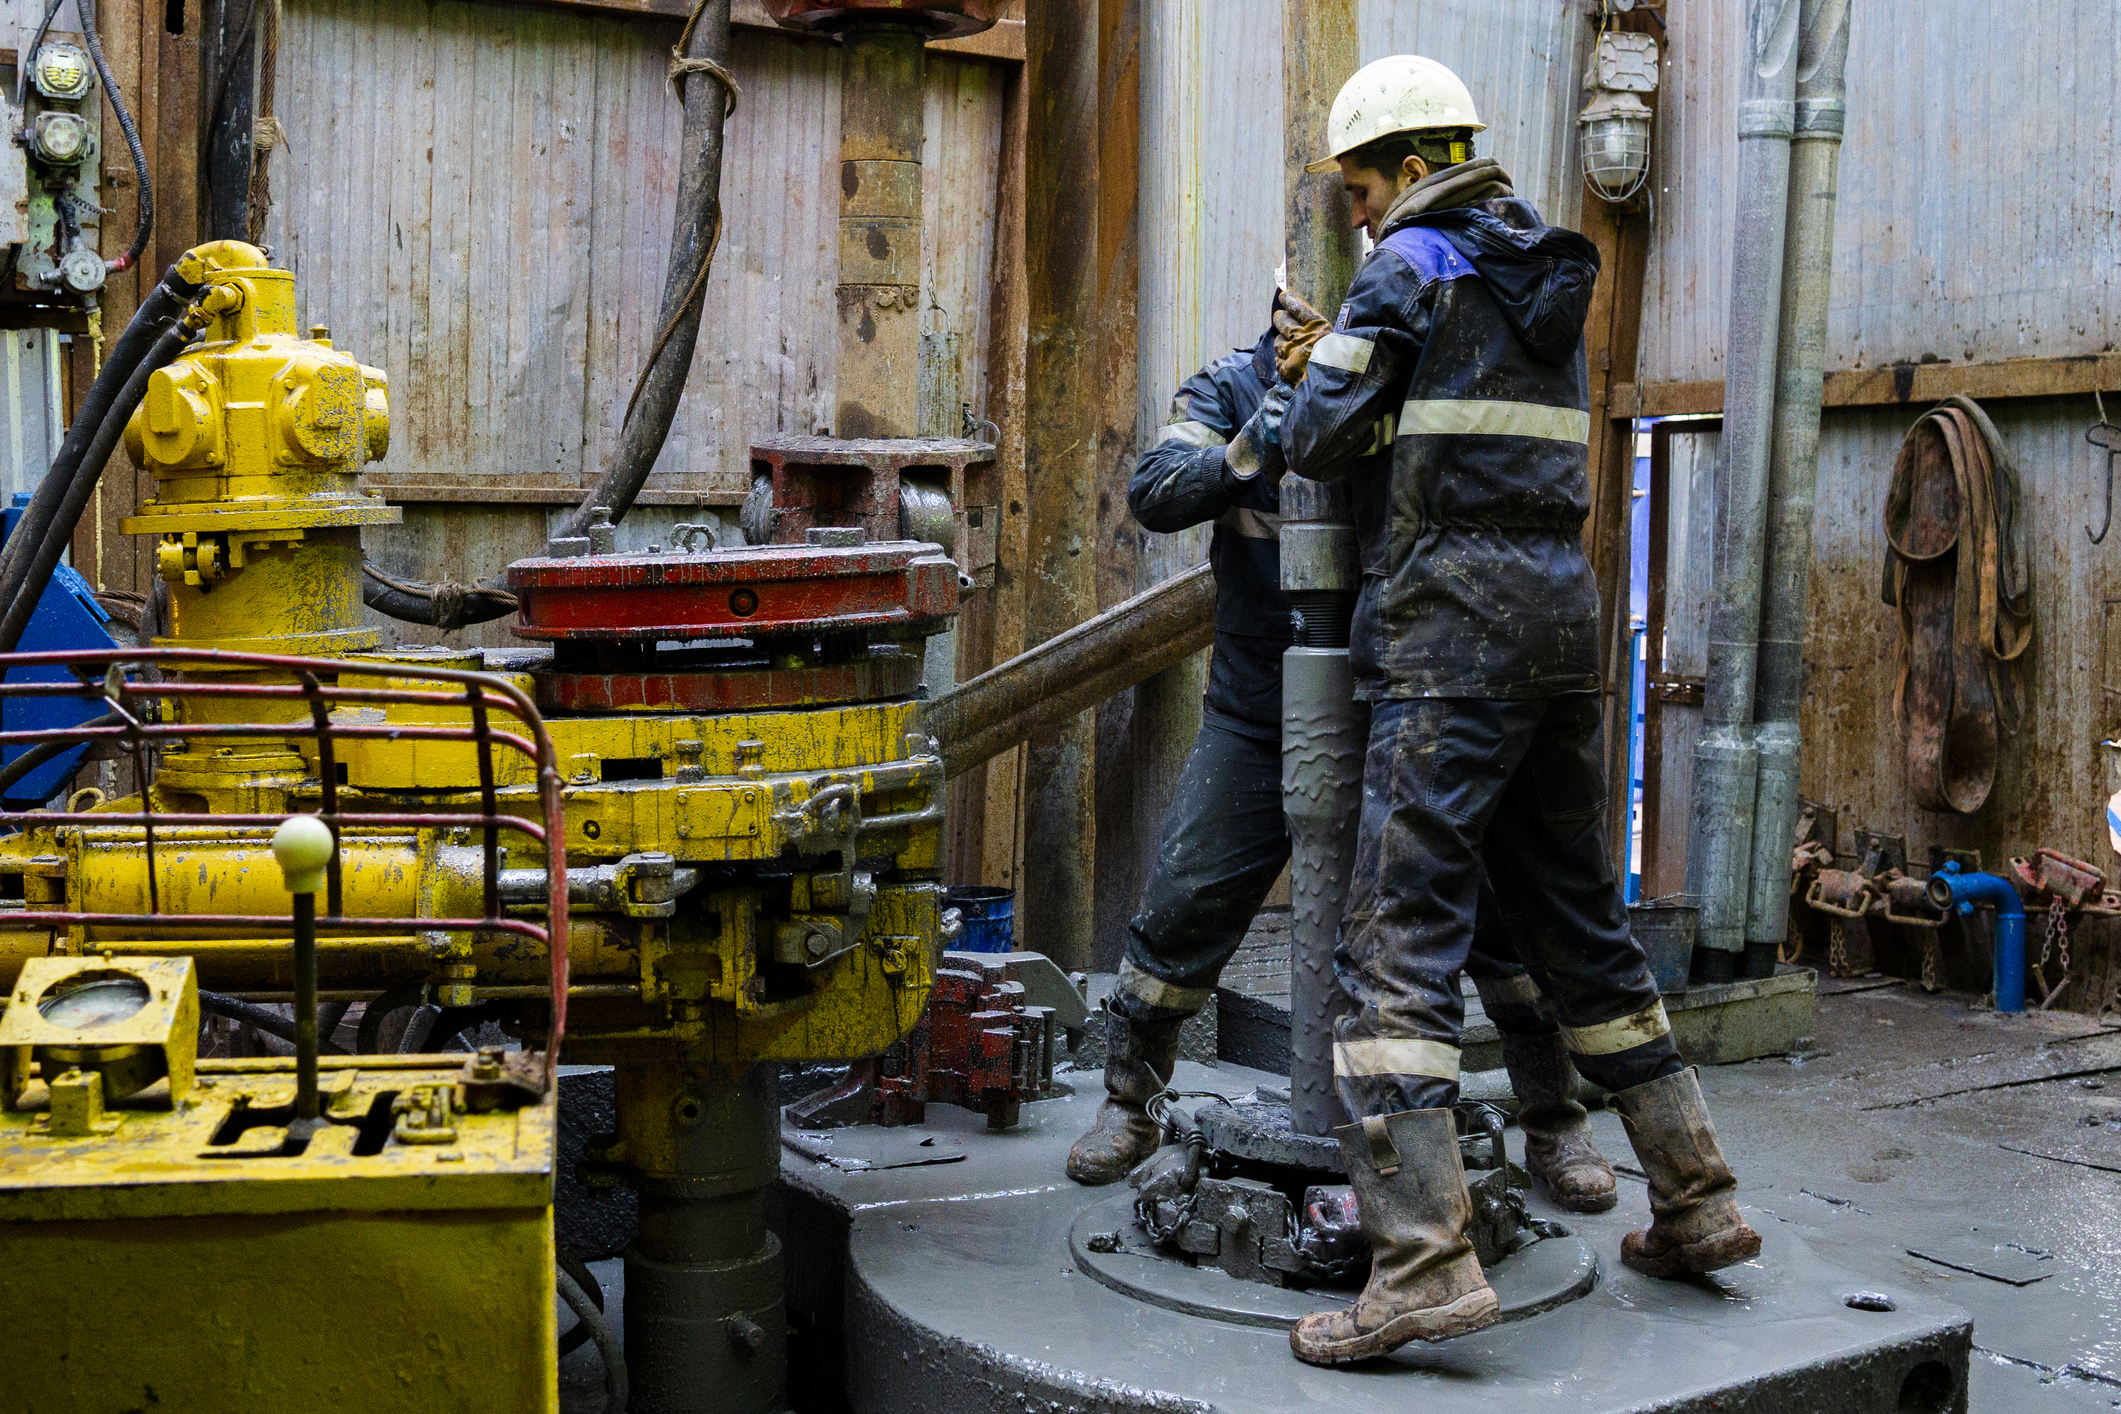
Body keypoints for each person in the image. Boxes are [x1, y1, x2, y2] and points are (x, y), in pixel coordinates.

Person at [1269, 54, 1761, 1366]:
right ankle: (1700, 1200)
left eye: (1365, 187)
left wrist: (1314, 360)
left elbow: (1320, 436)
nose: (1361, 213)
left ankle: (1421, 1262)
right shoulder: (1548, 274)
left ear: (1416, 166)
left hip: (1449, 631)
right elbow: (1464, 429)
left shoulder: (1407, 267)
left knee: (1392, 938)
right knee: (1581, 926)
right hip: (1559, 615)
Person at [1065, 298, 1624, 1225]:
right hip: (1257, 706)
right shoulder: (1228, 388)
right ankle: (1130, 1104)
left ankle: (1556, 1120)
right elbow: (1158, 491)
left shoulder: (1397, 385)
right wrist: (1269, 432)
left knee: (1495, 919)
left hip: (1400, 704)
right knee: (1185, 896)